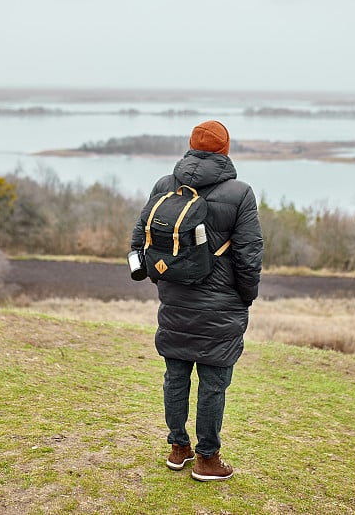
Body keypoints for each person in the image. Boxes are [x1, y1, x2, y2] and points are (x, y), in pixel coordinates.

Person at [131, 120, 264, 481]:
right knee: (213, 383)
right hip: (221, 304)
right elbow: (249, 256)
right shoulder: (240, 193)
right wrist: (246, 297)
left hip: (174, 299)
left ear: (191, 146)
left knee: (175, 377)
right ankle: (208, 459)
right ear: (225, 150)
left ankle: (178, 448)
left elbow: (139, 237)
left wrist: (159, 277)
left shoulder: (165, 185)